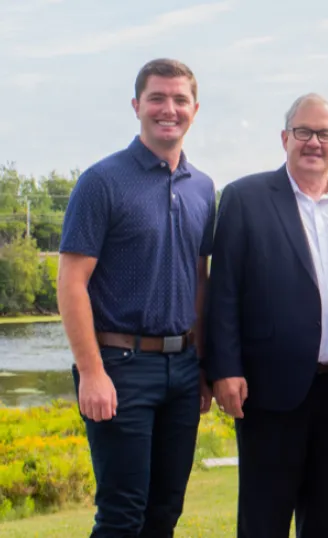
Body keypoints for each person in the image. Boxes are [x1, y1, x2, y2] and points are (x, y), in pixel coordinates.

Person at [204, 93, 328, 538]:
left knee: (327, 516)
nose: (314, 142)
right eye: (304, 132)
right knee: (264, 517)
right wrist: (225, 369)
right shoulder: (245, 198)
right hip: (267, 391)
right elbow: (224, 291)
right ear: (284, 137)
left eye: (324, 134)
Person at [57, 57, 216, 537]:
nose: (169, 109)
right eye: (157, 98)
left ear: (195, 108)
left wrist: (204, 367)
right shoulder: (102, 182)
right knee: (122, 516)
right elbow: (71, 283)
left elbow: (200, 282)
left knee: (165, 512)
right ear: (136, 105)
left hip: (184, 370)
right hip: (120, 366)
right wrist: (91, 372)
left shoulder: (204, 189)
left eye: (179, 99)